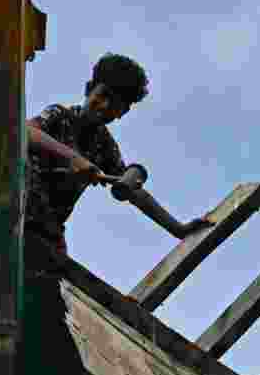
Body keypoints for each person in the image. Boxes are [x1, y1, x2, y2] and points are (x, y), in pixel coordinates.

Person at [25, 53, 213, 256]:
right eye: (103, 95)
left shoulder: (105, 147)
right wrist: (73, 158)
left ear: (122, 113)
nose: (105, 106)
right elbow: (26, 131)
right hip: (17, 210)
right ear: (89, 90)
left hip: (48, 231)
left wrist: (178, 229)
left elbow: (132, 189)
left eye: (115, 104)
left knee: (51, 273)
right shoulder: (60, 116)